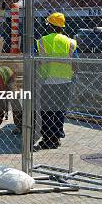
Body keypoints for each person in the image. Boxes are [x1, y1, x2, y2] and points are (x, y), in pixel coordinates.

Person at [34, 12, 78, 150]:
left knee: (47, 111)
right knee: (60, 110)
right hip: (65, 81)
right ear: (62, 27)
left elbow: (35, 61)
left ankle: (47, 138)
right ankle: (56, 137)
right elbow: (76, 64)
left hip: (47, 81)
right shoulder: (70, 42)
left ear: (50, 26)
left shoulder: (42, 41)